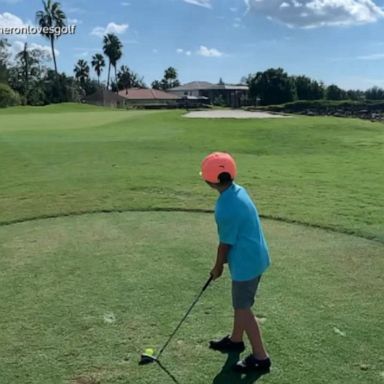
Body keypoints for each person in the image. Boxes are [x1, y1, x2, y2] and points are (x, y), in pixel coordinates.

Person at [201, 152, 271, 373]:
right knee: (240, 305)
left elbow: (225, 244)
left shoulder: (226, 208)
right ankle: (235, 340)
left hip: (246, 264)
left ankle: (261, 357)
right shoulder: (238, 190)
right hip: (254, 256)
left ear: (212, 181)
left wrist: (217, 266)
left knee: (242, 308)